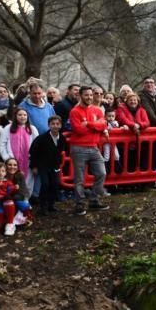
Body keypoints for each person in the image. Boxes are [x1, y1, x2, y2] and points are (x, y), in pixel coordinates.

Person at [68, 86, 110, 215]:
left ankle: (93, 200)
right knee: (79, 178)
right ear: (80, 96)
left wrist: (89, 124)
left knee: (101, 173)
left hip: (94, 147)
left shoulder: (97, 110)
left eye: (91, 95)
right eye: (86, 95)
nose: (90, 97)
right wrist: (95, 125)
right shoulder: (74, 111)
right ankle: (79, 204)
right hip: (79, 147)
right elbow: (78, 130)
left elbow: (103, 125)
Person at [29, 115, 66, 214]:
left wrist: (58, 165)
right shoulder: (41, 138)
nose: (55, 126)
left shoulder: (62, 138)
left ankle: (51, 204)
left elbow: (60, 152)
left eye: (57, 124)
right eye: (52, 124)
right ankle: (43, 207)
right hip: (43, 165)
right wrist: (34, 166)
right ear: (49, 125)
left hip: (54, 166)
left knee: (55, 184)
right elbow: (33, 152)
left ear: (61, 125)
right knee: (45, 184)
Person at [0, 108, 39, 193]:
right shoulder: (8, 128)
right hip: (12, 161)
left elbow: (37, 146)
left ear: (27, 117)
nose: (22, 117)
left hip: (27, 160)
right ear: (15, 116)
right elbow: (2, 144)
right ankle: (12, 199)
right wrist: (7, 158)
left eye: (24, 115)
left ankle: (26, 199)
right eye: (19, 115)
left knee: (28, 179)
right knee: (12, 179)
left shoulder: (32, 129)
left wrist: (35, 160)